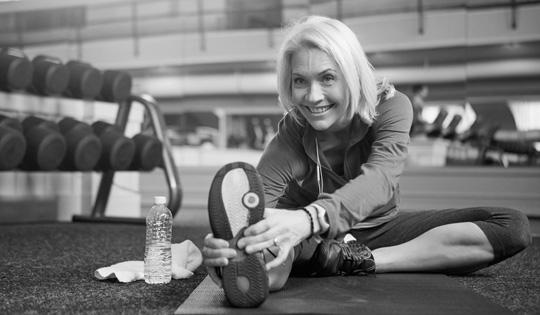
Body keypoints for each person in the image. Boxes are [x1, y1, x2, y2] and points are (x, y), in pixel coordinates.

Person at [202, 16, 531, 308]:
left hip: (379, 229)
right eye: (300, 80)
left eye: (327, 78)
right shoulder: (293, 131)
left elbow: (381, 179)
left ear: (351, 73)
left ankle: (353, 260)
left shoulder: (391, 107)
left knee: (511, 226)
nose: (312, 96)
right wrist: (232, 251)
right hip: (308, 243)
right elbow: (259, 214)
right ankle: (309, 260)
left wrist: (311, 218)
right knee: (270, 249)